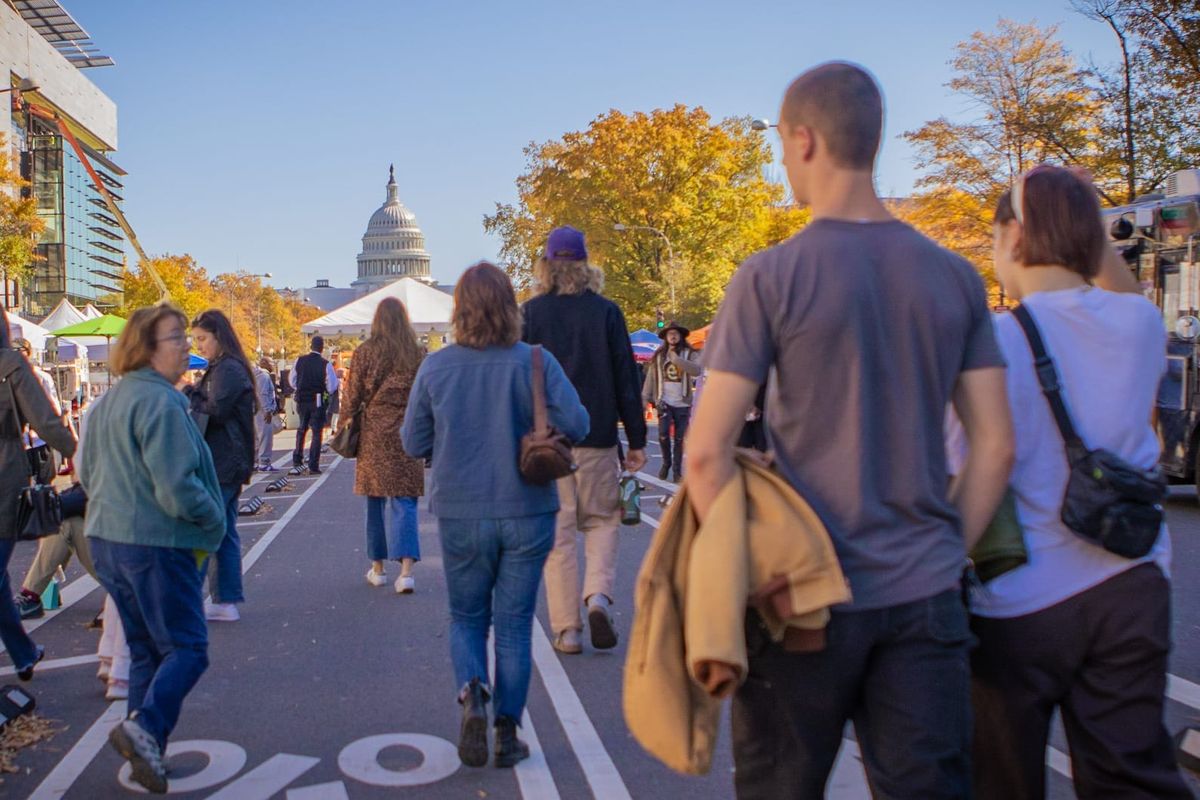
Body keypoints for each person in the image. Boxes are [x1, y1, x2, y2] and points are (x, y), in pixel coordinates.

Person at [686, 62, 1014, 798]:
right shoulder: (954, 277)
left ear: (804, 140)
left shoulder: (770, 277)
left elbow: (705, 454)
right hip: (925, 598)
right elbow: (995, 444)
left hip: (802, 599)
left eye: (779, 145)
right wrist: (942, 554)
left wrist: (752, 574)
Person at [965, 166, 1191, 798]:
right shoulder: (1141, 325)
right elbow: (1117, 289)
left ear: (1012, 237)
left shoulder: (996, 340)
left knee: (1001, 779)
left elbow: (970, 464)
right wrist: (1079, 214)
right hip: (1134, 582)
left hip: (1021, 603)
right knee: (1131, 777)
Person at [402, 262, 588, 769]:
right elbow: (578, 421)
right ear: (512, 307)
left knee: (466, 617)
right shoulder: (535, 361)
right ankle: (507, 730)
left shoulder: (437, 367)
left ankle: (472, 694)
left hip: (462, 510)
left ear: (457, 310)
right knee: (512, 626)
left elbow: (412, 441)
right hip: (529, 508)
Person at [79, 304, 225, 794]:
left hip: (108, 538)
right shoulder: (162, 403)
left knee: (143, 650)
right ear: (147, 348)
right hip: (157, 542)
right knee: (187, 648)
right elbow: (177, 486)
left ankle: (145, 750)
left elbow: (86, 474)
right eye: (175, 337)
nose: (185, 344)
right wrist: (213, 517)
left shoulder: (111, 401)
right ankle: (147, 730)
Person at [521, 225, 648, 655]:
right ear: (585, 264)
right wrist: (635, 439)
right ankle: (597, 596)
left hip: (547, 442)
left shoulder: (531, 314)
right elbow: (626, 379)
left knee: (557, 535)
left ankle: (567, 630)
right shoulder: (607, 313)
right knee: (602, 521)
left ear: (546, 266)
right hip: (596, 437)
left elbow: (521, 379)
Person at [0, 304, 76, 681]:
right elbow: (44, 419)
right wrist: (79, 453)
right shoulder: (10, 363)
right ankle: (24, 652)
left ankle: (23, 652)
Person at [339, 297, 425, 593]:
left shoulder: (365, 353)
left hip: (374, 433)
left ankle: (377, 568)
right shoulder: (416, 353)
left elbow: (351, 395)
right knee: (406, 500)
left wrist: (343, 423)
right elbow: (426, 394)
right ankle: (407, 572)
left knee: (374, 501)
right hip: (407, 431)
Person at [189, 310, 257, 623]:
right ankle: (224, 599)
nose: (199, 346)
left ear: (218, 336)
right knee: (223, 531)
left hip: (223, 459)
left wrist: (190, 394)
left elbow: (214, 410)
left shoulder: (226, 369)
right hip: (231, 458)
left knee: (208, 529)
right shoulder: (228, 367)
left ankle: (197, 598)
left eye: (202, 339)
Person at [642, 321, 700, 482]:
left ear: (681, 336)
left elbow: (697, 370)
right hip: (664, 400)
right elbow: (650, 379)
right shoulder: (659, 356)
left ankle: (676, 470)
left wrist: (677, 360)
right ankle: (666, 462)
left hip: (683, 402)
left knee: (680, 438)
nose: (673, 336)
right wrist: (644, 399)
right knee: (663, 435)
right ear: (666, 337)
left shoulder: (689, 353)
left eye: (676, 333)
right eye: (670, 334)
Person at [290, 335, 339, 474]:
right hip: (316, 399)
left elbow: (292, 380)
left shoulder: (299, 360)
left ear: (310, 346)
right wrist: (323, 389)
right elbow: (332, 385)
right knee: (317, 432)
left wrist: (300, 387)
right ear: (322, 348)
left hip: (301, 398)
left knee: (301, 429)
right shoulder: (325, 364)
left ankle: (297, 459)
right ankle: (313, 464)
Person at [253, 357, 278, 471]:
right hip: (263, 411)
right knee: (265, 436)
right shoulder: (264, 376)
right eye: (272, 362)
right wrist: (267, 410)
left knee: (257, 437)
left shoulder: (255, 376)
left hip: (254, 409)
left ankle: (255, 462)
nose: (273, 365)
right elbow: (263, 394)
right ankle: (264, 462)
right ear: (265, 363)